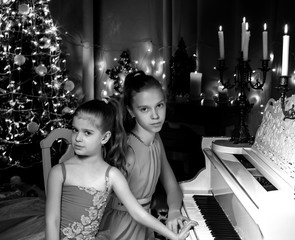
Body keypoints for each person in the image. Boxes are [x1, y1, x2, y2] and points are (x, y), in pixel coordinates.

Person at [45, 97, 197, 240]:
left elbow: (138, 213)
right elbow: (52, 220)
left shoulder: (112, 175)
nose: (78, 138)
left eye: (87, 133)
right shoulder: (59, 172)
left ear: (104, 138)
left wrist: (173, 236)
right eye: (75, 130)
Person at [100, 71, 188, 240]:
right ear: (131, 111)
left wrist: (174, 212)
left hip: (145, 223)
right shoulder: (128, 150)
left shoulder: (156, 139)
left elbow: (172, 185)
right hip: (121, 227)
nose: (155, 116)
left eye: (159, 105)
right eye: (144, 109)